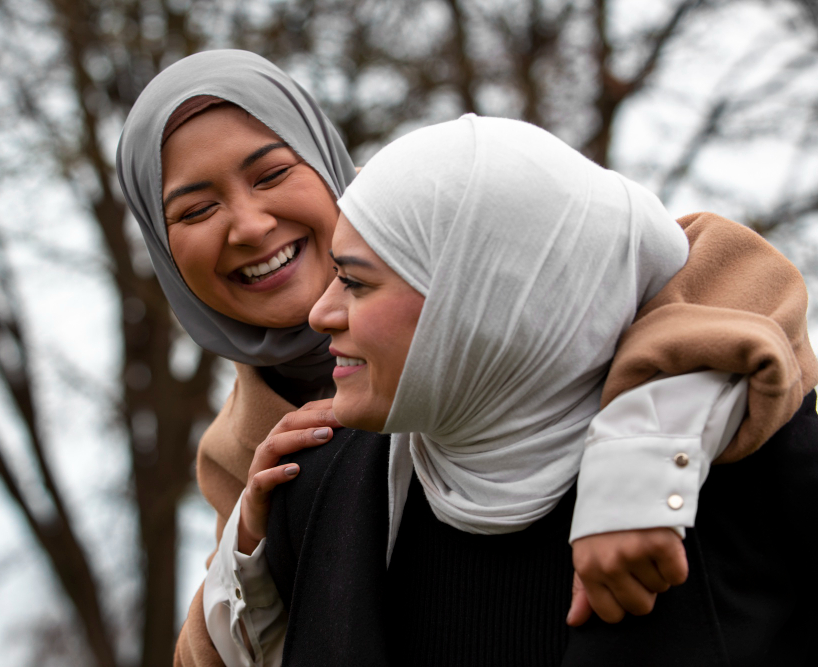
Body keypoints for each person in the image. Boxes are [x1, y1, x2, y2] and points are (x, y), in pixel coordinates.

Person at [114, 50, 817, 666]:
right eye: (195, 210)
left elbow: (738, 285)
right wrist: (250, 554)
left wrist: (645, 459)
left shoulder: (478, 230)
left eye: (270, 173)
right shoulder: (251, 458)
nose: (249, 223)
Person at [287, 114, 818, 665]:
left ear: (486, 297)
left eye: (354, 281)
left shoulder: (759, 482)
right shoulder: (309, 491)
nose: (320, 312)